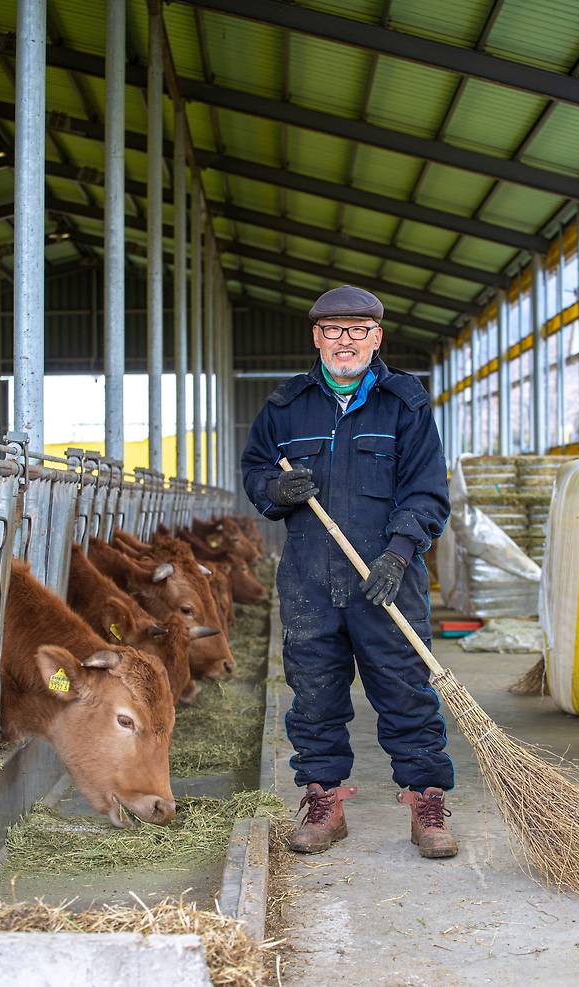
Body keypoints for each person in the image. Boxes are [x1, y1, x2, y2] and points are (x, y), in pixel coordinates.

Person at [241, 285, 456, 859]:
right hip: (309, 578)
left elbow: (428, 490)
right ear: (317, 337)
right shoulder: (286, 407)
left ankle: (427, 801)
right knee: (314, 694)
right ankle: (324, 801)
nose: (345, 341)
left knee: (405, 690)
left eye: (358, 331)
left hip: (388, 575)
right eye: (333, 330)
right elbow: (255, 469)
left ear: (376, 337)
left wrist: (400, 552)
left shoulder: (405, 404)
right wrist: (275, 489)